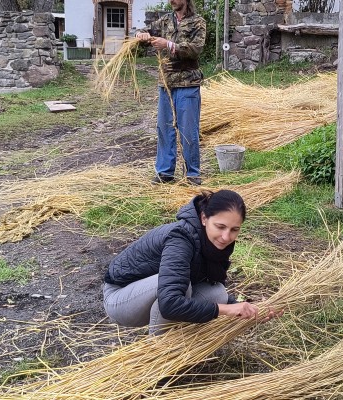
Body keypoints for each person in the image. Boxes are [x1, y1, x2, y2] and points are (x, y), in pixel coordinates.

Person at [103, 190, 280, 334]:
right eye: (220, 227)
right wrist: (225, 310)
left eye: (234, 230)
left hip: (154, 291)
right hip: (121, 298)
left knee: (217, 293)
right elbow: (170, 303)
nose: (226, 237)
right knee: (181, 289)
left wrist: (247, 309)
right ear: (204, 218)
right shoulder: (181, 238)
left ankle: (179, 344)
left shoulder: (213, 242)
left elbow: (207, 285)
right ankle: (159, 356)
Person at [135, 0, 205, 185]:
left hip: (188, 84)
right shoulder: (165, 21)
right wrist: (141, 35)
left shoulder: (198, 22)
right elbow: (147, 33)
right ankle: (165, 173)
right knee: (164, 129)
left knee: (188, 131)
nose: (172, 0)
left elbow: (196, 50)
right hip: (166, 84)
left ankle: (192, 174)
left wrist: (168, 45)